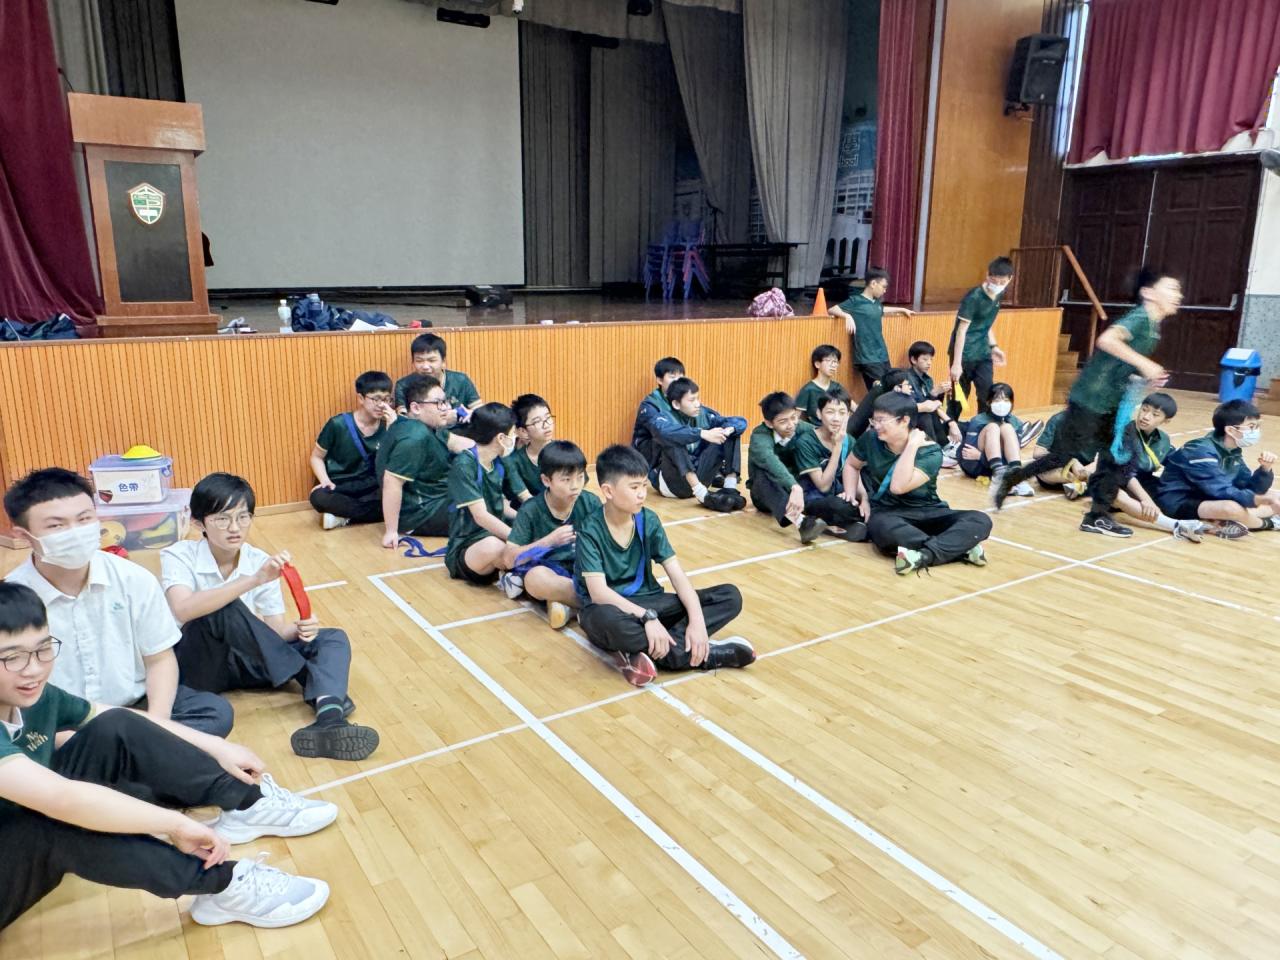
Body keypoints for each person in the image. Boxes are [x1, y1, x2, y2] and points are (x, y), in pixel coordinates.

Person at [0, 581, 334, 931]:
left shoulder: (35, 696)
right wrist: (172, 824)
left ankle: (246, 804)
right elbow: (63, 798)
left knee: (114, 725)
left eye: (43, 649)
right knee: (53, 819)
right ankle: (221, 885)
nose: (33, 668)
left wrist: (216, 747)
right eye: (12, 657)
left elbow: (114, 716)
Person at [160, 473, 379, 762]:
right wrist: (254, 580)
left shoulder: (258, 559)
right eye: (222, 519)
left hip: (250, 659)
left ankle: (329, 718)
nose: (235, 528)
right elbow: (183, 609)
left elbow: (274, 632)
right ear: (198, 523)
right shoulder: (178, 555)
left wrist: (299, 630)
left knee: (331, 638)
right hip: (200, 665)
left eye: (243, 517)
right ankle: (307, 676)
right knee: (222, 609)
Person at [4, 469, 233, 736]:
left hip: (136, 708)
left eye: (84, 519)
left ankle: (124, 754)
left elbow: (159, 660)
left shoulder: (133, 579)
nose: (76, 532)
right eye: (56, 526)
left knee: (214, 712)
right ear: (24, 536)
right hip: (57, 723)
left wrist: (156, 727)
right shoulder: (11, 601)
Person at [994, 267, 1181, 538]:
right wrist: (1145, 364)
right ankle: (1089, 513)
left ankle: (1089, 513)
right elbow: (1107, 340)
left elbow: (1119, 367)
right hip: (1091, 400)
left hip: (1108, 403)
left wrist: (1145, 380)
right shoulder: (1140, 318)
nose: (1178, 295)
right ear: (1148, 292)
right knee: (1088, 456)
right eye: (1171, 288)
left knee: (1112, 458)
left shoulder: (1153, 329)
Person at [574, 445, 754, 687]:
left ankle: (662, 648)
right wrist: (647, 618)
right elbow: (599, 594)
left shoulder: (648, 520)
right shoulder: (590, 530)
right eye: (634, 487)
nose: (642, 494)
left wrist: (697, 622)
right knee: (608, 621)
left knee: (729, 596)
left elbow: (677, 575)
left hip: (652, 602)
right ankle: (703, 655)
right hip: (611, 610)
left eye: (644, 486)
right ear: (608, 491)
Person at [847, 392, 993, 575]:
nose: (876, 426)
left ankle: (923, 555)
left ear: (904, 420)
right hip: (889, 512)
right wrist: (857, 497)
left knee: (980, 520)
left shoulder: (931, 451)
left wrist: (911, 446)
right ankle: (958, 549)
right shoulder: (870, 439)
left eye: (882, 421)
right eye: (874, 420)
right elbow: (852, 465)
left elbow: (898, 486)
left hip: (928, 511)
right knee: (880, 528)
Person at [500, 441, 600, 631]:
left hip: (585, 570)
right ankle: (596, 605)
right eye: (566, 480)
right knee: (535, 579)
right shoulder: (531, 510)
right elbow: (509, 559)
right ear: (546, 480)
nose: (575, 486)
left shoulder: (590, 502)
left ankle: (569, 606)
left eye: (580, 477)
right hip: (552, 573)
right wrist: (549, 541)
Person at [1155, 399, 1280, 539]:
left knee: (1274, 495)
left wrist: (1265, 470)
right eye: (1251, 426)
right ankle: (1270, 523)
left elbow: (1249, 487)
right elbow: (1221, 491)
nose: (1255, 431)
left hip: (1205, 497)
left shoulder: (1232, 451)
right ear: (1230, 430)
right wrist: (1258, 500)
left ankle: (1234, 520)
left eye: (1257, 426)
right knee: (1231, 508)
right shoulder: (1200, 451)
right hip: (1178, 502)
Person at [377, 374, 476, 548]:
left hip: (440, 498)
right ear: (416, 408)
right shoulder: (414, 437)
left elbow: (459, 443)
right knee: (489, 516)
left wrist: (494, 446)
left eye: (446, 401)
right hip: (422, 513)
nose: (446, 407)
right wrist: (391, 531)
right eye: (439, 403)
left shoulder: (427, 426)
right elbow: (392, 482)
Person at [309, 371, 397, 530]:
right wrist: (324, 480)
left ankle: (344, 517)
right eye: (376, 399)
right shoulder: (338, 424)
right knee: (318, 497)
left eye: (386, 399)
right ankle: (368, 513)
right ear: (361, 398)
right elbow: (316, 457)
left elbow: (394, 464)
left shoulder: (389, 424)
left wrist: (393, 430)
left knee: (401, 496)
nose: (382, 405)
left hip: (371, 484)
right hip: (340, 484)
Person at [747, 392, 837, 544]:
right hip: (766, 494)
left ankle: (834, 520)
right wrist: (794, 486)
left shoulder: (802, 428)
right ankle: (802, 523)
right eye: (783, 421)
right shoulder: (760, 436)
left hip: (797, 491)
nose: (791, 425)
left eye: (794, 417)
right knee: (763, 473)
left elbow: (823, 436)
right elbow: (770, 461)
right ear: (769, 423)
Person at [445, 403, 518, 586]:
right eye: (513, 433)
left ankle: (517, 578)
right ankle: (517, 576)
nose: (515, 437)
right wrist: (517, 538)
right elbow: (481, 516)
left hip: (496, 534)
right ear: (501, 438)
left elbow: (501, 505)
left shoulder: (498, 462)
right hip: (468, 545)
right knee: (495, 546)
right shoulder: (464, 464)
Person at [650, 377, 747, 512]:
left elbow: (740, 421)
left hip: (700, 478)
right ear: (676, 404)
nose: (697, 404)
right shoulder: (662, 418)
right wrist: (701, 433)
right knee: (673, 439)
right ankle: (701, 494)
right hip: (672, 484)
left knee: (729, 431)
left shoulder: (704, 414)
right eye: (692, 400)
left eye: (697, 398)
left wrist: (729, 430)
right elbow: (664, 432)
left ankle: (729, 488)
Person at [790, 386, 867, 540]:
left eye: (842, 413)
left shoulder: (850, 441)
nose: (836, 418)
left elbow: (855, 475)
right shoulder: (806, 442)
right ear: (819, 414)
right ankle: (838, 524)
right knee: (837, 506)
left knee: (870, 499)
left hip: (838, 493)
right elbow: (823, 486)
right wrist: (837, 447)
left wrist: (863, 498)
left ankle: (840, 525)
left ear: (848, 415)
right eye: (830, 412)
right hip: (814, 499)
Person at [947, 257, 1015, 418]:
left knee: (987, 393)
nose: (998, 285)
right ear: (988, 276)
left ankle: (983, 426)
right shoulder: (974, 297)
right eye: (994, 280)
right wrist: (956, 364)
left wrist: (994, 346)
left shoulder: (999, 294)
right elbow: (961, 331)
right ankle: (950, 427)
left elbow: (987, 324)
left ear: (1010, 279)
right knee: (959, 398)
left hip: (983, 352)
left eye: (1002, 282)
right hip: (964, 352)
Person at [828, 268, 913, 390]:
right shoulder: (855, 301)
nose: (885, 291)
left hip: (881, 354)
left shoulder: (876, 302)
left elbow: (881, 310)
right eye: (883, 287)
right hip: (867, 356)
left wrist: (902, 309)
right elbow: (832, 309)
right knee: (880, 389)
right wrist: (847, 316)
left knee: (889, 386)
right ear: (873, 284)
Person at [957, 383, 1036, 496]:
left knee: (1007, 427)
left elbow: (1012, 456)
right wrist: (981, 458)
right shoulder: (977, 421)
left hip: (1001, 466)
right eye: (997, 400)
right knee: (993, 427)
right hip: (977, 467)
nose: (1002, 404)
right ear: (988, 402)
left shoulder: (1016, 423)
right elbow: (968, 456)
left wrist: (980, 455)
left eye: (1006, 400)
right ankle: (998, 477)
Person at [393, 333, 481, 423]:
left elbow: (480, 413)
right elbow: (402, 421)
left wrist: (465, 414)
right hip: (422, 431)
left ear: (443, 362)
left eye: (432, 360)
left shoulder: (461, 380)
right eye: (419, 361)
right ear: (413, 362)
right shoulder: (403, 385)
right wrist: (440, 418)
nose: (425, 366)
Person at [904, 341, 963, 460]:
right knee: (926, 415)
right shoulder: (907, 378)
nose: (929, 363)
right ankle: (935, 451)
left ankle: (944, 446)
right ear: (913, 360)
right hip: (909, 416)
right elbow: (918, 405)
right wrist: (934, 393)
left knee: (938, 412)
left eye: (931, 359)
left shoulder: (928, 379)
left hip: (926, 413)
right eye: (925, 359)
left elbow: (934, 404)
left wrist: (941, 393)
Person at [631, 357, 688, 472]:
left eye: (681, 377)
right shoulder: (650, 404)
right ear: (660, 380)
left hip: (675, 452)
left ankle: (724, 478)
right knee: (670, 438)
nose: (677, 381)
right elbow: (663, 431)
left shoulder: (686, 400)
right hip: (650, 456)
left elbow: (707, 416)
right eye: (672, 377)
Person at [502, 393, 556, 509]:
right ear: (523, 431)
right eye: (537, 422)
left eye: (548, 418)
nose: (546, 425)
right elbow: (516, 498)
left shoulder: (564, 452)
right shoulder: (515, 461)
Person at [795, 344, 842, 423]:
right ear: (817, 364)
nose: (833, 365)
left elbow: (854, 407)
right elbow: (796, 418)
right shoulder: (808, 389)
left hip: (835, 426)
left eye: (835, 362)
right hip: (815, 428)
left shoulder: (837, 386)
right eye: (828, 361)